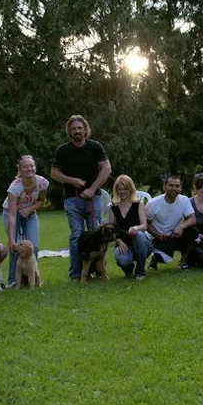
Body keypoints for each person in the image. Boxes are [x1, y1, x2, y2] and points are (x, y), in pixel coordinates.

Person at [50, 115, 112, 282]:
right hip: (72, 199)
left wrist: (92, 189)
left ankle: (99, 272)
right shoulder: (63, 150)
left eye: (79, 128)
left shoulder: (95, 147)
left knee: (98, 234)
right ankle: (76, 274)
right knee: (76, 235)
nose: (77, 131)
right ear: (69, 132)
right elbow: (54, 173)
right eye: (73, 129)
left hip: (94, 199)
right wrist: (72, 180)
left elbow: (106, 168)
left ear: (85, 130)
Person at [3, 155, 49, 288]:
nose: (29, 168)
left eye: (31, 166)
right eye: (25, 166)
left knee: (33, 245)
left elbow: (41, 201)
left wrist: (30, 209)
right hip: (11, 213)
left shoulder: (42, 182)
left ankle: (33, 279)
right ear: (20, 170)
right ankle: (13, 281)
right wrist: (11, 239)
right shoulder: (14, 187)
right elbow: (12, 214)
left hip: (30, 212)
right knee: (15, 246)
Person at [146, 175, 198, 270]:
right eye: (171, 185)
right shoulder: (153, 203)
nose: (174, 188)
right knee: (165, 259)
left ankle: (183, 261)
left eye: (177, 186)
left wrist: (181, 227)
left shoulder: (184, 200)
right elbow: (146, 223)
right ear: (164, 186)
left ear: (181, 188)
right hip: (161, 238)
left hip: (176, 235)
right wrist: (157, 234)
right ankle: (154, 259)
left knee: (193, 231)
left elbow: (193, 219)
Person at [107, 174, 151, 280]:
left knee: (139, 235)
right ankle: (128, 268)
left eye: (126, 189)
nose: (122, 192)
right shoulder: (113, 207)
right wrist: (119, 242)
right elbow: (110, 230)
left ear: (131, 189)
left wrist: (136, 228)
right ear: (116, 190)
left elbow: (145, 225)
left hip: (141, 243)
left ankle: (140, 271)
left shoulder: (139, 204)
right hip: (124, 244)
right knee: (122, 259)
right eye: (120, 189)